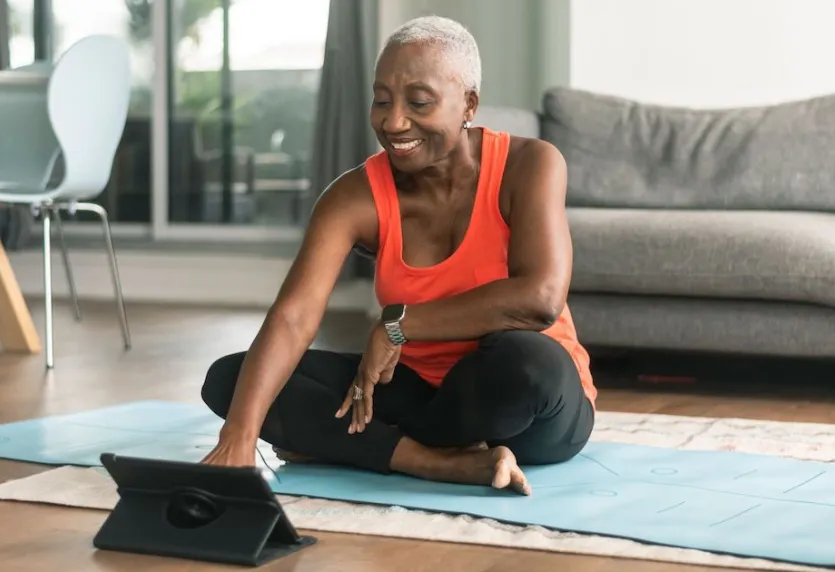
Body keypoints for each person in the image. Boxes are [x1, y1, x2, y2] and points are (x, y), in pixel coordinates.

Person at [199, 15, 596, 496]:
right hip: (416, 392)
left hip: (525, 405)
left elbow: (540, 298)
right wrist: (237, 438)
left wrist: (399, 324)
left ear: (469, 102)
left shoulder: (529, 164)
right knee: (234, 382)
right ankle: (434, 462)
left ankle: (360, 446)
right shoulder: (354, 196)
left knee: (529, 361)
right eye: (381, 100)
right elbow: (295, 315)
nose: (393, 122)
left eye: (419, 102)